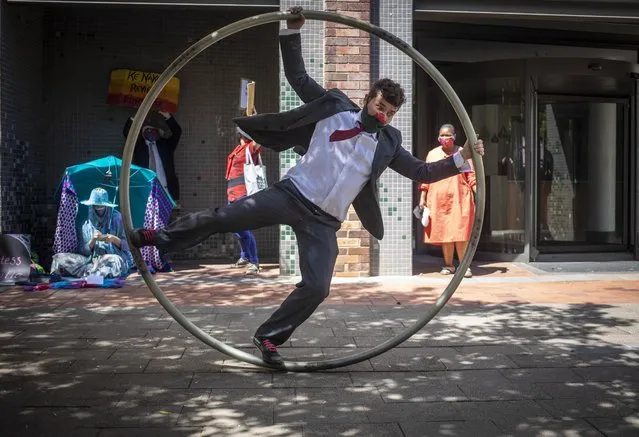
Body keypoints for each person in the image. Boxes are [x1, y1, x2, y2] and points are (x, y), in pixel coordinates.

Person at [128, 8, 485, 365]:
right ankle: (157, 238)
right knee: (224, 217)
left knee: (318, 287)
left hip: (324, 222)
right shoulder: (334, 107)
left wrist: (462, 158)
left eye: (390, 112)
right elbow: (298, 77)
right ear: (368, 99)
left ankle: (268, 338)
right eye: (380, 106)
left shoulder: (388, 141)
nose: (383, 116)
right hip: (290, 195)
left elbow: (420, 171)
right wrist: (291, 30)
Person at [419, 124, 476, 278]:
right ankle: (448, 265)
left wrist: (478, 192)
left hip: (460, 199)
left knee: (460, 232)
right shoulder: (432, 154)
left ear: (454, 136)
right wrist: (422, 198)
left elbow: (471, 176)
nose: (445, 138)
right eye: (442, 135)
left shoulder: (462, 153)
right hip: (439, 200)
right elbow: (426, 177)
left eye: (448, 135)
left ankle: (464, 266)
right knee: (445, 233)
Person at [51, 187, 133, 278]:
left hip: (111, 257)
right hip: (90, 260)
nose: (99, 208)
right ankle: (92, 276)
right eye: (96, 205)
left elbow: (128, 245)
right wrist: (93, 240)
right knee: (59, 258)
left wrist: (113, 239)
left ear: (106, 205)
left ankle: (93, 278)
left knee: (114, 262)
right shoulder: (85, 224)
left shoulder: (118, 219)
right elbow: (82, 250)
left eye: (101, 206)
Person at [225, 122, 262, 274]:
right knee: (236, 227)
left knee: (244, 229)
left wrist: (255, 121)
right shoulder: (238, 149)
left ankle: (254, 262)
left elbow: (259, 140)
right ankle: (244, 256)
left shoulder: (250, 148)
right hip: (232, 192)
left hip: (243, 193)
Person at [123, 110, 182, 205]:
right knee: (147, 217)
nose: (151, 133)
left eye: (153, 130)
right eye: (147, 130)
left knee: (167, 217)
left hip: (166, 189)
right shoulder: (138, 147)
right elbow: (127, 134)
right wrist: (133, 119)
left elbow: (177, 132)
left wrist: (168, 117)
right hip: (147, 190)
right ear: (142, 134)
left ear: (159, 133)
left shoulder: (166, 146)